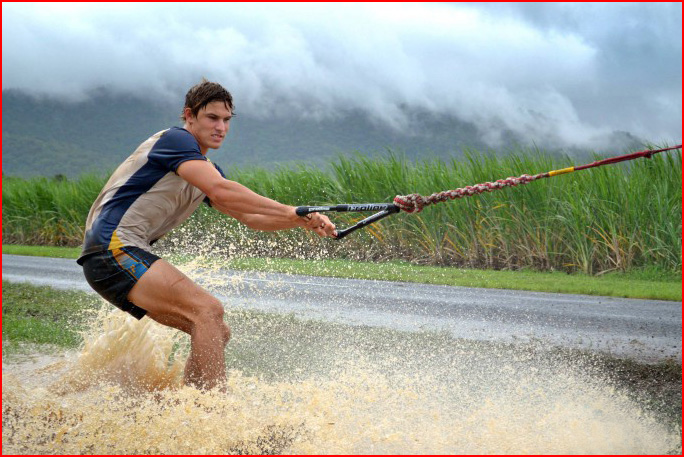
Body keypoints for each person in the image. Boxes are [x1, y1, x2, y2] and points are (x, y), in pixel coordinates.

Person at [77, 79, 336, 390]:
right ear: (189, 115)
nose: (221, 128)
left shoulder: (204, 166)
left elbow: (249, 217)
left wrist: (300, 222)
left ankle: (186, 408)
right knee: (208, 310)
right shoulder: (175, 140)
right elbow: (221, 189)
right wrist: (291, 210)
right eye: (212, 118)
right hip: (112, 249)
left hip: (113, 257)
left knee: (215, 329)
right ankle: (214, 415)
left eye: (227, 120)